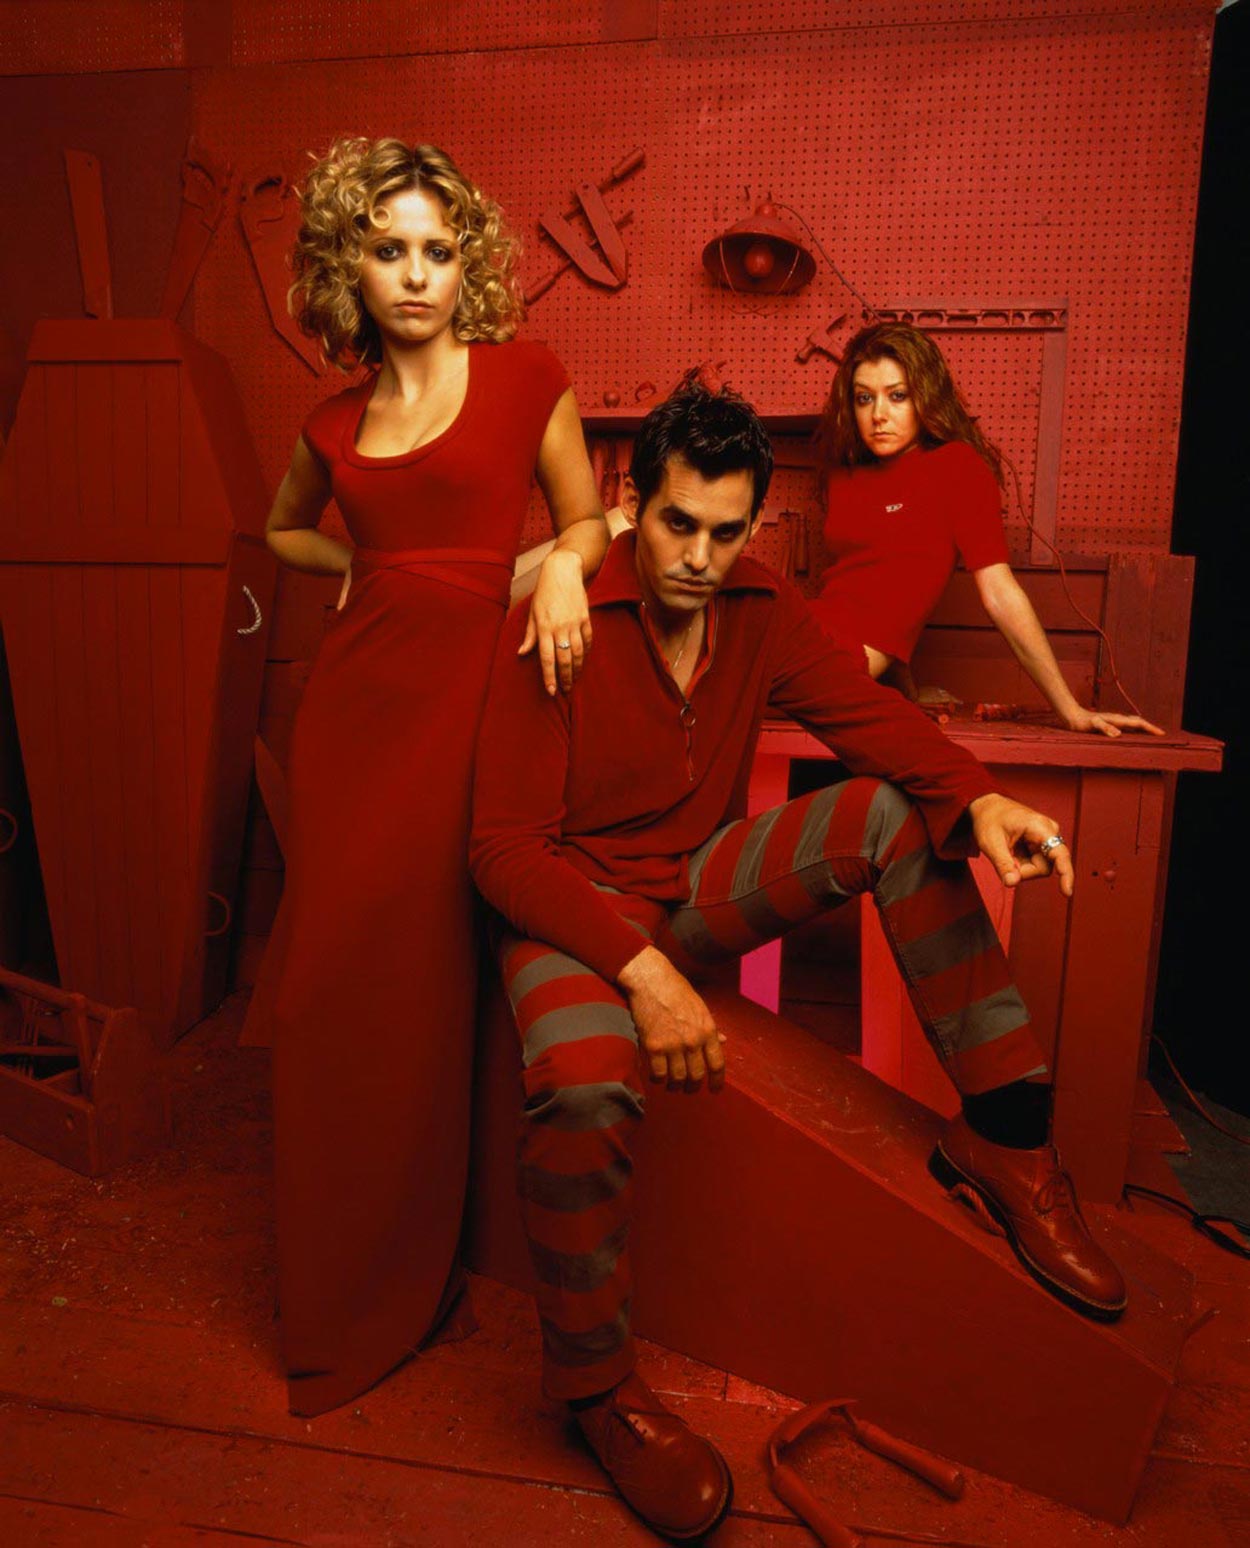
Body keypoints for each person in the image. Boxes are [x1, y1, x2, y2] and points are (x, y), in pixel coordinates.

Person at [470, 376, 1126, 1542]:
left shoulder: (760, 605)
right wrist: (644, 977)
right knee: (580, 1085)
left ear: (753, 525)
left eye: (725, 533)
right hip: (570, 902)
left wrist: (976, 798)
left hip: (688, 885)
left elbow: (872, 724)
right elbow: (502, 850)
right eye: (677, 524)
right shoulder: (562, 614)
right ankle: (595, 1392)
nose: (697, 558)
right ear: (634, 505)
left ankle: (1006, 1140)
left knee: (891, 810)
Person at [262, 138, 605, 1418]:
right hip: (352, 723)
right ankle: (327, 1287)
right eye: (387, 249)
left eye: (437, 250)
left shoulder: (526, 378)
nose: (414, 274)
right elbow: (280, 528)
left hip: (468, 715)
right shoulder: (330, 424)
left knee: (419, 992)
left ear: (469, 265)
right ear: (345, 265)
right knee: (323, 995)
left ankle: (407, 1279)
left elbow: (584, 518)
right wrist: (356, 569)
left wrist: (559, 564)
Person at [811, 321, 1163, 737]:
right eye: (864, 398)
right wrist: (901, 685)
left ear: (925, 394)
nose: (878, 415)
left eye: (898, 395)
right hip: (814, 634)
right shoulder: (845, 474)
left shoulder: (956, 468)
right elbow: (869, 585)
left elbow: (999, 592)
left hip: (835, 661)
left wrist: (1069, 709)